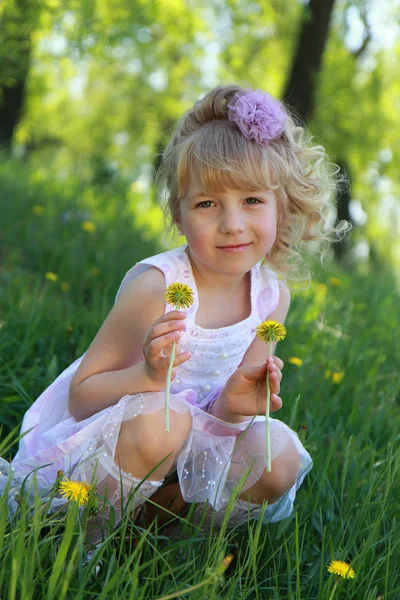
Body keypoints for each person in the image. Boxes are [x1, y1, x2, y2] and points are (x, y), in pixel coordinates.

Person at [0, 84, 348, 543]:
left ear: (280, 206)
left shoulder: (271, 295)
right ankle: (84, 541)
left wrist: (237, 405)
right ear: (179, 215)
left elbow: (225, 416)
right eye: (207, 204)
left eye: (252, 200)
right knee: (166, 420)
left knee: (274, 453)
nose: (232, 223)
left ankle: (175, 543)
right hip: (116, 440)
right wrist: (148, 374)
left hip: (190, 443)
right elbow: (82, 395)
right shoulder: (158, 286)